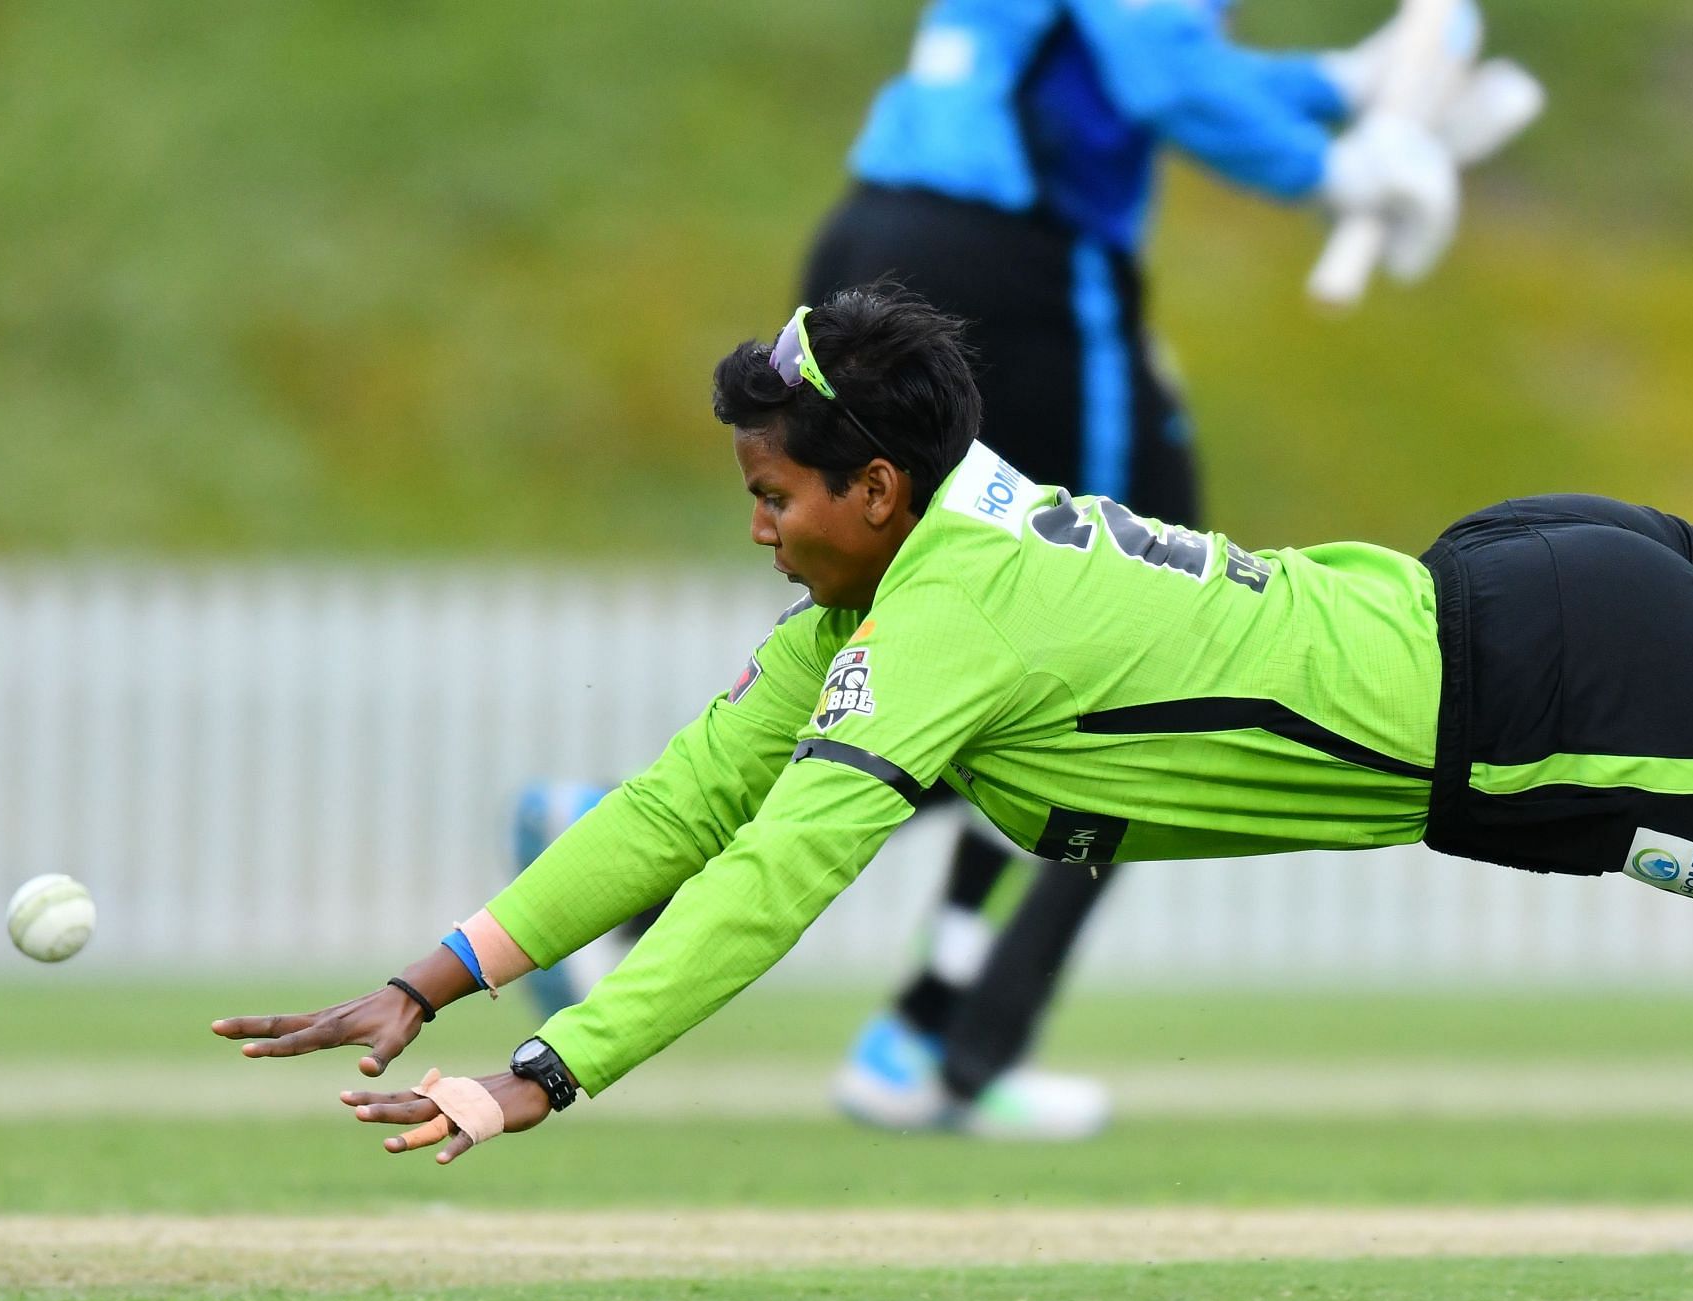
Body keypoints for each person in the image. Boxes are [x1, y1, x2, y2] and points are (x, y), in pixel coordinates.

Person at [216, 289, 1693, 1164]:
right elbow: (685, 805)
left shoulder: (945, 620)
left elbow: (781, 868)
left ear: (873, 485)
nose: (759, 527)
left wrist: (540, 1071)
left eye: (773, 493)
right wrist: (436, 973)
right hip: (1537, 567)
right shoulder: (912, 573)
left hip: (1561, 707)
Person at [515, 0, 1535, 1140]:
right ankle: (936, 1035)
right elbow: (1156, 69)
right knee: (1143, 644)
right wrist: (1327, 168)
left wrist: (1341, 89)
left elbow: (1106, 64)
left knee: (976, 649)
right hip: (1016, 267)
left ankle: (665, 875)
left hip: (877, 253)